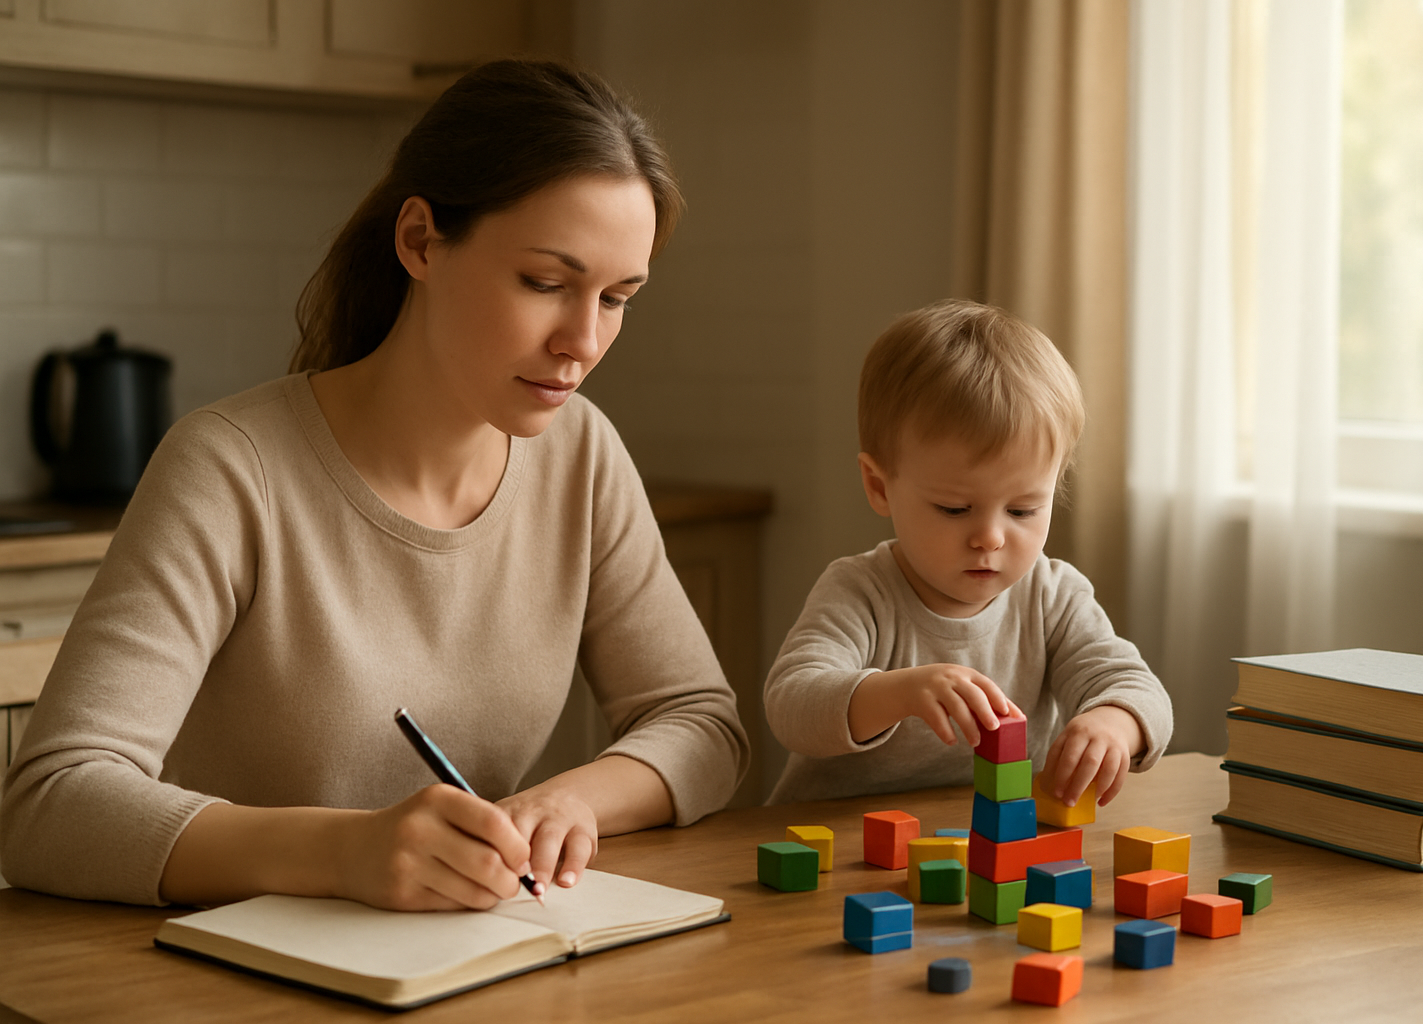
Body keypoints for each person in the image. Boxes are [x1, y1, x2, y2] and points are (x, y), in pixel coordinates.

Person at [0, 60, 748, 910]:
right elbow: (49, 804)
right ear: (421, 241)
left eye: (617, 298)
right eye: (546, 283)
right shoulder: (229, 467)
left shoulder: (583, 457)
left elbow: (703, 724)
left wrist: (572, 799)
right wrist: (346, 850)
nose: (583, 340)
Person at [763, 299, 1171, 805]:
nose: (990, 538)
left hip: (990, 847)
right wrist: (899, 692)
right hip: (837, 846)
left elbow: (1136, 686)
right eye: (955, 509)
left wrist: (1115, 722)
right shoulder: (860, 591)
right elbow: (791, 705)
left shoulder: (1053, 596)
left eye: (1022, 511)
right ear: (880, 485)